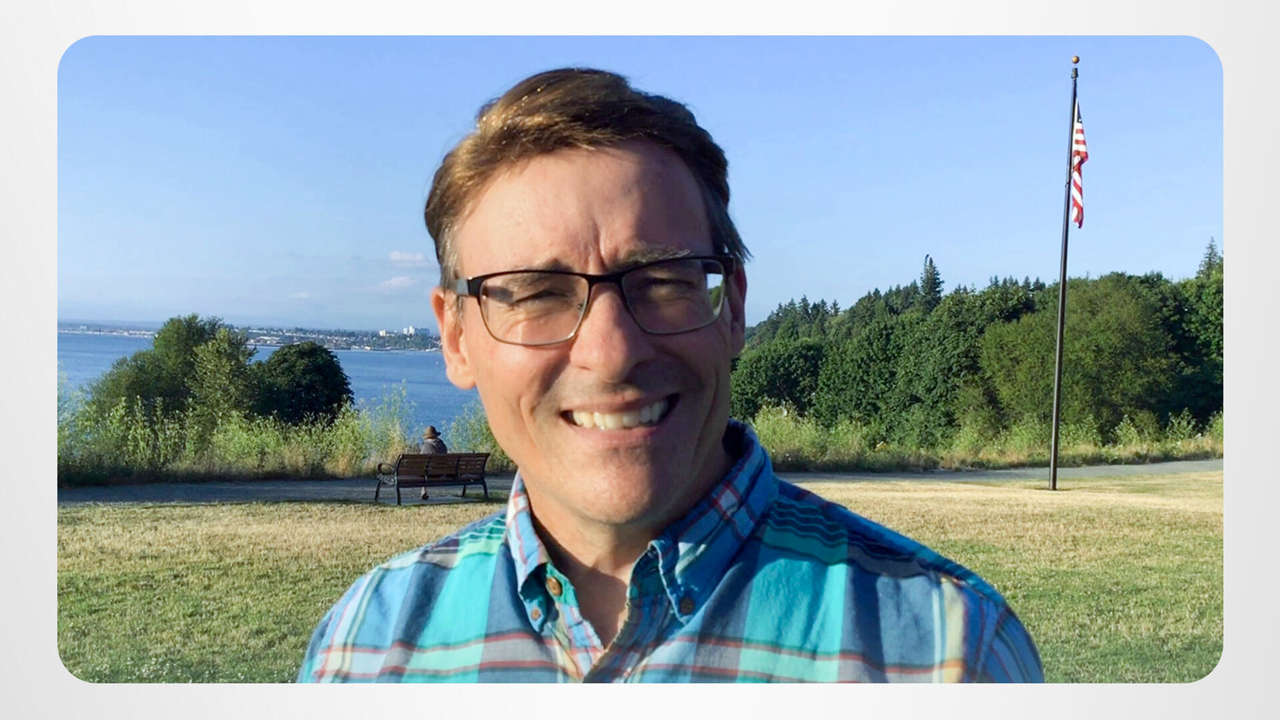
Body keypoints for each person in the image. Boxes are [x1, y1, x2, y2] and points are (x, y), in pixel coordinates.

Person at [298, 68, 1043, 683]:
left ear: (734, 309)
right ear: (456, 336)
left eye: (663, 280)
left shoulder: (944, 653)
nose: (611, 352)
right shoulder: (364, 650)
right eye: (537, 293)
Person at [415, 426, 448, 500]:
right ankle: (423, 491)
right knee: (425, 470)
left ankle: (424, 491)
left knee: (423, 470)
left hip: (430, 474)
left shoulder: (425, 446)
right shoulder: (443, 445)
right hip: (441, 473)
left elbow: (420, 461)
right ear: (436, 435)